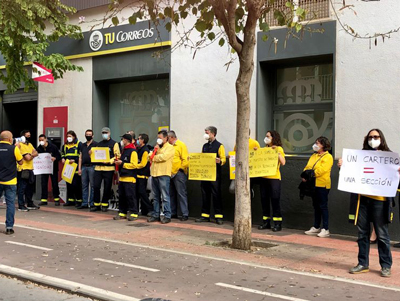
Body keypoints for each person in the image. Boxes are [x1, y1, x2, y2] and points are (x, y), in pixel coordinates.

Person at [340, 129, 393, 277]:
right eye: (370, 137)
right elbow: (351, 173)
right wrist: (343, 166)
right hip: (362, 200)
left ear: (381, 138)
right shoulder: (360, 156)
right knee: (362, 233)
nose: (373, 139)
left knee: (382, 235)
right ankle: (363, 263)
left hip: (380, 202)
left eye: (375, 137)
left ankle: (386, 265)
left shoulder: (389, 157)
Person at [303, 136, 333, 238]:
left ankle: (325, 228)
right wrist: (305, 175)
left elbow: (322, 170)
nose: (315, 145)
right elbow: (307, 167)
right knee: (315, 206)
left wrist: (310, 174)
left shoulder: (328, 157)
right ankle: (316, 226)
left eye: (318, 143)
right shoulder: (314, 156)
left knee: (322, 206)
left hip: (322, 185)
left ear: (323, 145)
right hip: (313, 185)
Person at [195, 126, 226, 225]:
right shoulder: (205, 146)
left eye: (207, 132)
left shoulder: (219, 146)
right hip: (205, 175)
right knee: (205, 195)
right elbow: (201, 157)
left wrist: (220, 160)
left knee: (216, 195)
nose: (205, 134)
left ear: (213, 133)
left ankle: (219, 216)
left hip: (215, 175)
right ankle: (205, 216)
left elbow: (223, 159)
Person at [258, 131, 286, 232]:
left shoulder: (279, 149)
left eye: (268, 136)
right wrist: (257, 152)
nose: (266, 138)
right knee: (264, 200)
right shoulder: (264, 149)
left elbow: (283, 162)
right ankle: (266, 222)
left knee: (275, 200)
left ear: (273, 138)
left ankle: (278, 223)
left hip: (274, 178)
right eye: (266, 136)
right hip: (263, 178)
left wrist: (277, 153)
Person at [148, 130, 175, 224]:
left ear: (165, 138)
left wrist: (155, 156)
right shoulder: (157, 147)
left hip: (163, 174)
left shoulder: (170, 148)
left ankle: (167, 215)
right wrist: (155, 151)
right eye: (157, 137)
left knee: (165, 196)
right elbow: (149, 156)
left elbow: (163, 157)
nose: (158, 139)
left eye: (160, 138)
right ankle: (156, 215)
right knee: (156, 196)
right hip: (154, 174)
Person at [91, 127, 120, 212]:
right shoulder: (99, 144)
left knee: (107, 187)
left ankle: (104, 204)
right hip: (98, 168)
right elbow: (94, 156)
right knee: (96, 186)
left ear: (109, 133)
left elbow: (117, 156)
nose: (104, 134)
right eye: (103, 132)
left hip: (109, 168)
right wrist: (91, 154)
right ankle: (96, 204)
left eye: (106, 132)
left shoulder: (114, 144)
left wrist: (109, 161)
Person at [0, 131, 23, 234]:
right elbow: (21, 161)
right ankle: (9, 227)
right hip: (10, 181)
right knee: (10, 204)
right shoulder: (14, 149)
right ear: (10, 139)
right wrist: (18, 148)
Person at [113, 134, 139, 221]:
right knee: (122, 196)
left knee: (130, 196)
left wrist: (122, 164)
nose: (122, 141)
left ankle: (134, 213)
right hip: (122, 177)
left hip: (130, 178)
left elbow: (134, 165)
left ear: (126, 140)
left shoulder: (133, 151)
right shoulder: (124, 150)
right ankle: (122, 213)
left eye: (123, 139)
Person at [168, 130, 189, 221]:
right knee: (171, 194)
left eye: (167, 138)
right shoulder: (168, 146)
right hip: (169, 173)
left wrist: (180, 168)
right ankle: (173, 212)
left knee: (181, 193)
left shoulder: (181, 145)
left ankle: (184, 213)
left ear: (172, 137)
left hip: (179, 173)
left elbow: (186, 159)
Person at [37, 134, 61, 206]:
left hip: (53, 168)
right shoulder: (39, 148)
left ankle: (56, 199)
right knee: (44, 184)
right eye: (40, 140)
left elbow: (59, 156)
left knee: (54, 184)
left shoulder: (53, 147)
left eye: (42, 140)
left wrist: (55, 158)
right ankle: (44, 199)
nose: (41, 141)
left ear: (46, 139)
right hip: (44, 169)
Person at [17, 130, 39, 211]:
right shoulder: (20, 145)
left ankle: (29, 203)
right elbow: (27, 158)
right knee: (22, 188)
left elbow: (36, 153)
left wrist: (31, 155)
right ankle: (21, 205)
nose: (29, 137)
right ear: (23, 136)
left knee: (30, 188)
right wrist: (32, 155)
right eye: (27, 136)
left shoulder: (30, 144)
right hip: (23, 169)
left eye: (29, 135)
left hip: (30, 168)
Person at [61, 131, 82, 207]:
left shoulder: (79, 144)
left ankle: (79, 200)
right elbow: (62, 154)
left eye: (70, 136)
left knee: (76, 185)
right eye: (67, 136)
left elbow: (81, 155)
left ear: (74, 136)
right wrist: (63, 158)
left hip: (76, 167)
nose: (69, 138)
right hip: (68, 168)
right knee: (69, 185)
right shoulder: (65, 145)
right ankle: (70, 200)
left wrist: (75, 160)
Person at [78, 129, 97, 209]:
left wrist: (92, 154)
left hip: (92, 166)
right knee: (84, 185)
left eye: (90, 134)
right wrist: (79, 168)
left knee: (93, 186)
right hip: (84, 167)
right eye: (87, 134)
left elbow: (98, 156)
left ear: (92, 136)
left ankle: (92, 203)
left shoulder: (96, 144)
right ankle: (84, 203)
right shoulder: (82, 145)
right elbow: (80, 157)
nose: (88, 136)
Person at [136, 133, 153, 216]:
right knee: (139, 193)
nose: (137, 140)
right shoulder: (139, 149)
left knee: (142, 192)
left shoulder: (145, 150)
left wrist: (134, 166)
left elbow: (143, 164)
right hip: (138, 175)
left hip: (143, 175)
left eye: (139, 139)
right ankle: (144, 210)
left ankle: (150, 208)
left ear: (142, 140)